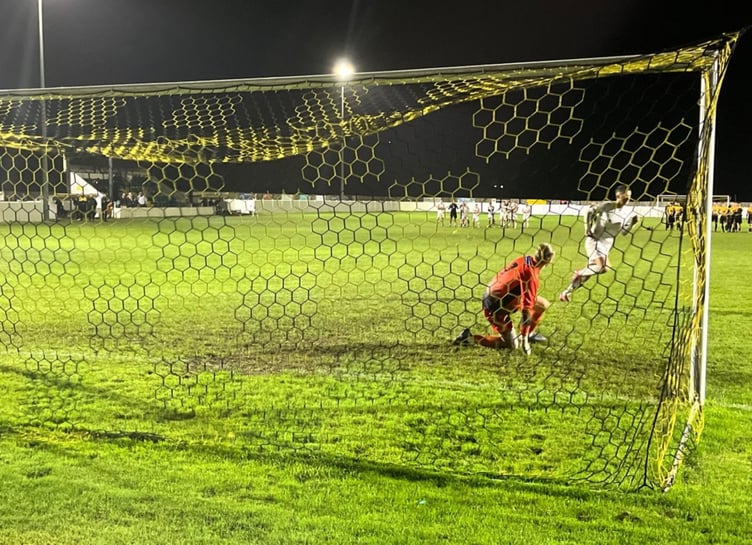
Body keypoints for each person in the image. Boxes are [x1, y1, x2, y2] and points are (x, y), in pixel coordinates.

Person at [452, 242, 555, 355]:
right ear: (549, 260)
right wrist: (524, 342)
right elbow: (526, 311)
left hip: (495, 293)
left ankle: (528, 334)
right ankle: (469, 338)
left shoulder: (526, 259)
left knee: (542, 304)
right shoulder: (531, 277)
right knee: (511, 345)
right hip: (495, 307)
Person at [559, 184, 638, 302]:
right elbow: (588, 211)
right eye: (625, 197)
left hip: (606, 246)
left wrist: (632, 223)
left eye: (629, 197)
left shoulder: (628, 213)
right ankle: (579, 272)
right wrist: (587, 228)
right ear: (618, 195)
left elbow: (624, 233)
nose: (628, 200)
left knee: (589, 274)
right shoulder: (608, 206)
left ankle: (566, 293)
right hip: (594, 240)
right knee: (604, 267)